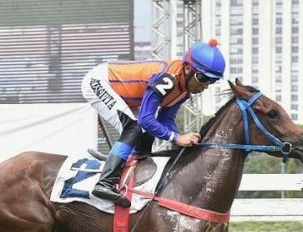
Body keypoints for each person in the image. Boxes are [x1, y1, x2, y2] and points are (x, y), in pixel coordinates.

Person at [80, 38, 226, 207]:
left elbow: (165, 120)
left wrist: (179, 138)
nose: (206, 85)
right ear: (187, 69)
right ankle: (104, 182)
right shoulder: (167, 79)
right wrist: (177, 138)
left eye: (212, 81)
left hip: (124, 94)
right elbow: (146, 119)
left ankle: (129, 174)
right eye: (203, 78)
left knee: (145, 133)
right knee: (134, 128)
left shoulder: (184, 90)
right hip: (99, 82)